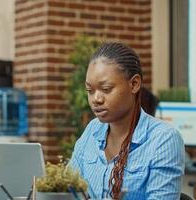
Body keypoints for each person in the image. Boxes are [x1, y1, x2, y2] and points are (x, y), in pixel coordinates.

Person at [69, 42, 185, 199]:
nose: (96, 99)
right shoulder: (92, 130)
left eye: (106, 89)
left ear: (134, 84)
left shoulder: (163, 139)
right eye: (90, 91)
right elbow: (67, 189)